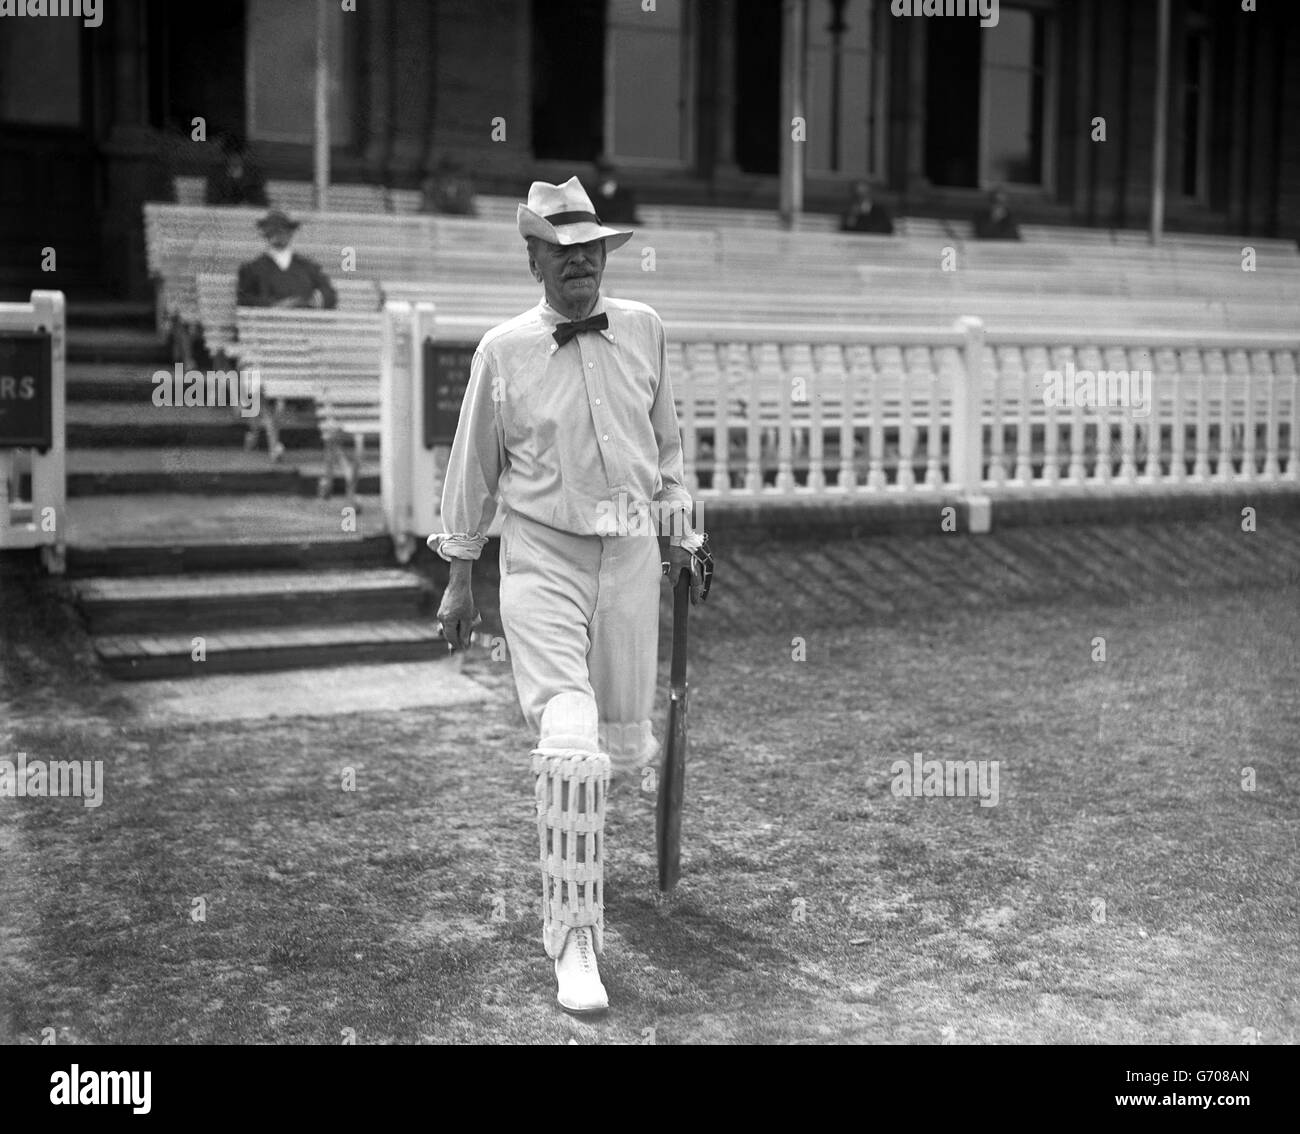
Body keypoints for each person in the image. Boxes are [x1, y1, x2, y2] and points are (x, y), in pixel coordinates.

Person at [430, 177, 710, 1015]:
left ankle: (578, 863)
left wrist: (682, 533)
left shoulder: (645, 331)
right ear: (535, 259)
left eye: (591, 250)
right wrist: (459, 576)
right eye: (563, 252)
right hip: (541, 558)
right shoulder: (502, 351)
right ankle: (574, 939)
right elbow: (472, 470)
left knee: (618, 748)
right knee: (568, 730)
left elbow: (666, 454)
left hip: (628, 562)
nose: (581, 264)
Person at [236, 209, 337, 309]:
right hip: (268, 322)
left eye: (283, 229)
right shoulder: (252, 268)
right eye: (273, 230)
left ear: (290, 233)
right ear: (266, 234)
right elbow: (244, 299)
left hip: (304, 321)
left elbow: (329, 294)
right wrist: (274, 305)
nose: (279, 234)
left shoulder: (308, 267)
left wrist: (314, 301)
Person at [206, 134, 268, 207]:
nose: (235, 159)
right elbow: (211, 198)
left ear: (245, 155)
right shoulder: (216, 172)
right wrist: (228, 204)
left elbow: (260, 199)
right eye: (231, 155)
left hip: (247, 212)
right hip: (222, 212)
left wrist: (247, 204)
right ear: (225, 155)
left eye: (239, 155)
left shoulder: (255, 173)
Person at [592, 155, 639, 225]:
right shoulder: (594, 194)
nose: (605, 178)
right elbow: (595, 216)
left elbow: (627, 215)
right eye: (603, 175)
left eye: (609, 174)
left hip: (622, 227)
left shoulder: (625, 195)